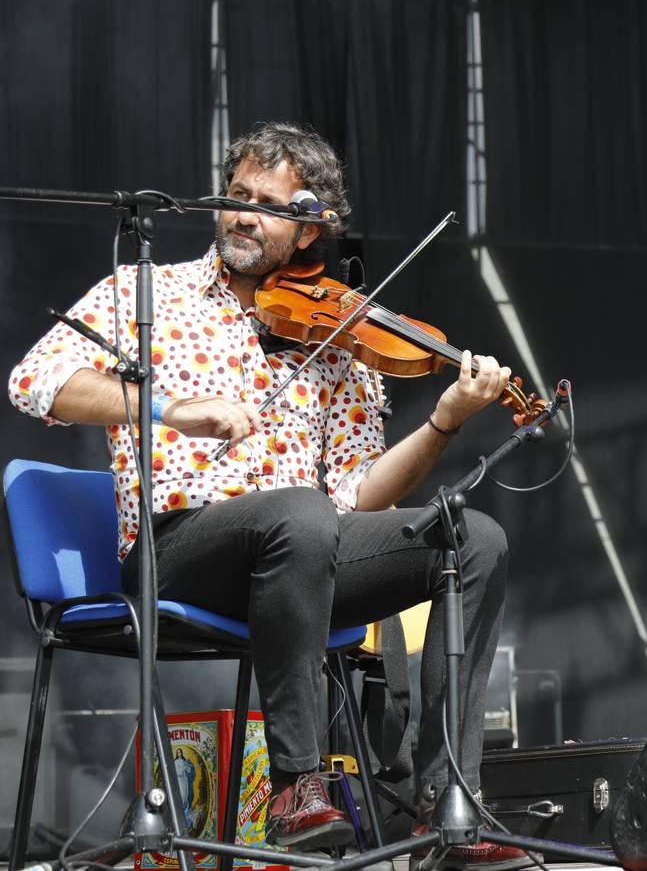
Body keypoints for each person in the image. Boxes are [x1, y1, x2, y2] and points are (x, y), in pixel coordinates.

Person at [9, 121, 530, 869]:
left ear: (312, 227)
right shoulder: (147, 292)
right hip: (178, 549)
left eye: (268, 204)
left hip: (305, 552)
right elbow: (35, 382)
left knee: (473, 537)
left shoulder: (341, 336)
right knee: (299, 510)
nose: (243, 214)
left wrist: (445, 423)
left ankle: (444, 809)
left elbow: (358, 494)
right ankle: (296, 784)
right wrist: (166, 408)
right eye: (236, 196)